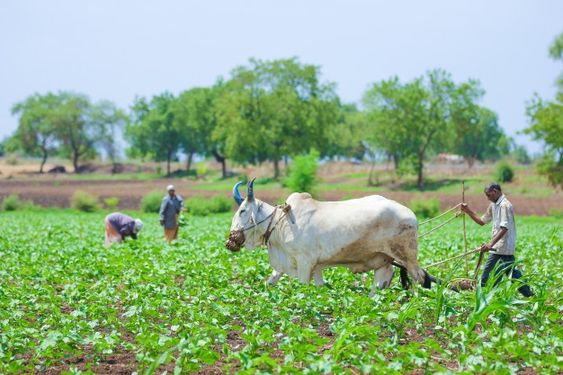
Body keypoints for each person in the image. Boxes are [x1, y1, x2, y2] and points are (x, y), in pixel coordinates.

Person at [461, 183, 533, 297]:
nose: (488, 198)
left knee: (488, 276)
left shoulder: (505, 205)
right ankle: (530, 296)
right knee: (512, 274)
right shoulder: (493, 205)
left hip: (503, 247)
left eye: (489, 195)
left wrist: (490, 244)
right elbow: (482, 221)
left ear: (495, 191)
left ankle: (486, 299)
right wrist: (468, 210)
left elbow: (504, 228)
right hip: (497, 247)